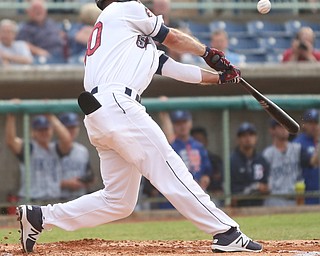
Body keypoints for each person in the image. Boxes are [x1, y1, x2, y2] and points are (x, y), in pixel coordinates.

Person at [17, 0, 262, 254]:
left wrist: (221, 78)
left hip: (102, 113)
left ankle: (41, 218)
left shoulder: (129, 40)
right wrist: (208, 53)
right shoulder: (125, 8)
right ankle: (226, 231)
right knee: (169, 166)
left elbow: (177, 69)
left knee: (119, 200)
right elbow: (173, 37)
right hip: (118, 103)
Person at [5, 113, 72, 202]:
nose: (44, 132)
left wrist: (50, 116)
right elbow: (11, 142)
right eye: (40, 130)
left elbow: (67, 139)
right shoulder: (29, 147)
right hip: (31, 200)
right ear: (33, 132)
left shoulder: (55, 148)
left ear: (51, 130)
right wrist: (11, 116)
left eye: (46, 129)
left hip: (53, 200)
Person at [263, 120, 310, 207]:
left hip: (294, 200)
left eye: (286, 125)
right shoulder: (267, 154)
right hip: (274, 200)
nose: (284, 129)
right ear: (272, 130)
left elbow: (313, 162)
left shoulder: (298, 149)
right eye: (281, 126)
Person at [230, 122, 269, 207]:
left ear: (256, 138)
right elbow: (231, 189)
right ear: (238, 139)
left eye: (251, 135)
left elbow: (267, 185)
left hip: (259, 206)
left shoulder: (261, 160)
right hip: (238, 207)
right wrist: (255, 187)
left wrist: (263, 188)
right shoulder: (232, 161)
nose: (248, 138)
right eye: (244, 135)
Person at [58, 112, 95, 200]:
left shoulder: (82, 150)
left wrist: (86, 181)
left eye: (74, 127)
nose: (72, 130)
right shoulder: (52, 150)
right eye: (68, 127)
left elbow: (90, 175)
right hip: (58, 199)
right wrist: (66, 184)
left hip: (79, 198)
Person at [293, 109, 320, 204]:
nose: (313, 126)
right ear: (304, 124)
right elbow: (314, 162)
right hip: (306, 193)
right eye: (310, 123)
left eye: (316, 123)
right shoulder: (298, 143)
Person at [190, 126, 224, 198]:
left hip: (210, 194)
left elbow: (218, 183)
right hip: (190, 194)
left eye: (200, 140)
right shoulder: (186, 157)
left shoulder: (215, 159)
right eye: (195, 141)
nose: (198, 144)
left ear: (206, 141)